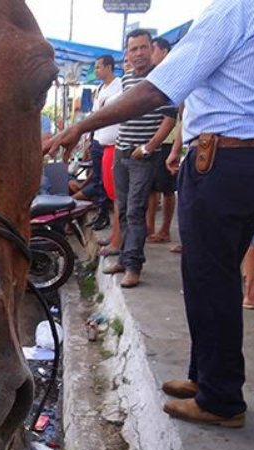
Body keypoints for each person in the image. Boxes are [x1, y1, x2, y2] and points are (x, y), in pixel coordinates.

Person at [45, 0, 254, 428]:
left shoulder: (234, 11)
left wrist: (81, 125)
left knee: (210, 278)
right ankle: (205, 376)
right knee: (216, 274)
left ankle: (221, 399)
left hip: (223, 159)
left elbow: (159, 89)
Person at [99, 29, 175, 289]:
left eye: (143, 47)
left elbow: (169, 117)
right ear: (127, 53)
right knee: (121, 207)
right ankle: (122, 256)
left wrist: (149, 147)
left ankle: (133, 265)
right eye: (134, 49)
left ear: (152, 49)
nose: (139, 53)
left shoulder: (160, 78)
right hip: (121, 152)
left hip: (141, 156)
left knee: (135, 210)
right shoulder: (127, 79)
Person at [146, 37, 179, 245]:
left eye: (152, 50)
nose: (149, 55)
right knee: (151, 188)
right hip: (153, 140)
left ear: (164, 51)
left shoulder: (174, 74)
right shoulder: (154, 76)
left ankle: (165, 230)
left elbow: (173, 115)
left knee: (166, 189)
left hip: (168, 141)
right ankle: (149, 229)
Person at [85, 55, 123, 229]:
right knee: (98, 178)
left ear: (109, 67)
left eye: (98, 67)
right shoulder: (100, 87)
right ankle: (101, 212)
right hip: (98, 139)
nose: (96, 71)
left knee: (110, 182)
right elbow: (95, 116)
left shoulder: (120, 85)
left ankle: (109, 215)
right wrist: (89, 138)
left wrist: (107, 102)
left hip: (113, 141)